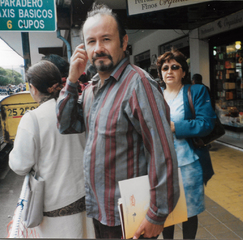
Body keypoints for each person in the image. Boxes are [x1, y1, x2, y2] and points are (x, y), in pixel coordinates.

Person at [56, 3, 180, 239]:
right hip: (101, 210)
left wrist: (157, 214)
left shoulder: (138, 84)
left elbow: (162, 151)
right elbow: (66, 124)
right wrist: (72, 80)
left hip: (130, 215)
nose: (98, 48)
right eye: (91, 42)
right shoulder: (92, 89)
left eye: (106, 39)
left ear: (123, 43)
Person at [9, 60, 93, 238]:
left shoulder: (33, 119)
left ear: (33, 88)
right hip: (88, 198)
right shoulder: (79, 108)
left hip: (55, 206)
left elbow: (20, 165)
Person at [156, 49, 217, 239]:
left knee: (189, 213)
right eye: (165, 68)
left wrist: (176, 127)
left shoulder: (195, 91)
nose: (169, 71)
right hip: (162, 165)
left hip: (188, 164)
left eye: (175, 67)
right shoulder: (156, 94)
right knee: (166, 213)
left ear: (183, 72)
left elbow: (206, 123)